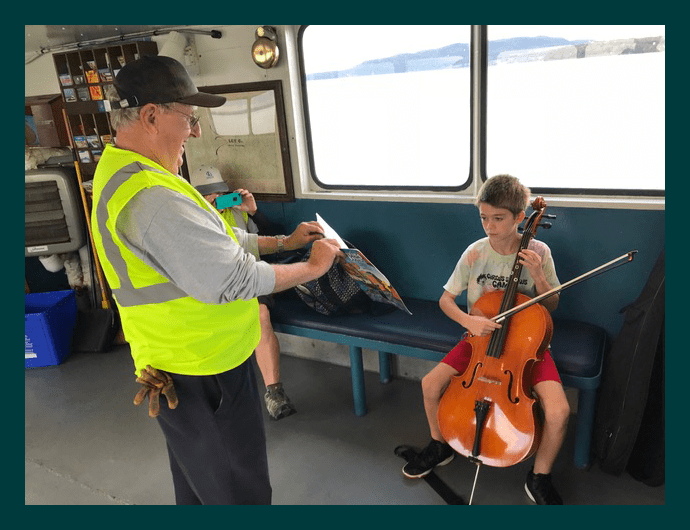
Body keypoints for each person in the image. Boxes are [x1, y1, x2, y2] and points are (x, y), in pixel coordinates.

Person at [90, 55, 342, 505]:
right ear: (151, 115)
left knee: (200, 488)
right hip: (202, 371)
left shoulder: (138, 174)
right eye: (189, 118)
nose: (196, 131)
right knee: (237, 493)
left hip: (182, 363)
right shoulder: (150, 197)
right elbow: (229, 278)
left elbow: (219, 242)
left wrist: (284, 242)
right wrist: (313, 267)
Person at [401, 174, 570, 505]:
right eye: (483, 218)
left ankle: (539, 476)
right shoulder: (475, 253)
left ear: (521, 217)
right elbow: (446, 301)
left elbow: (551, 307)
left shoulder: (539, 250)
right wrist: (468, 321)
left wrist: (537, 275)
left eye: (498, 218)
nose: (489, 227)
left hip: (527, 347)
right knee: (429, 384)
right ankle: (440, 445)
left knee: (560, 412)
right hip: (479, 342)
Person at [192, 165, 296, 420]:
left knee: (260, 314)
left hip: (250, 277)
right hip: (215, 283)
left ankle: (274, 392)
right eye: (207, 195)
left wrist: (254, 212)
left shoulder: (238, 214)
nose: (215, 199)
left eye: (219, 192)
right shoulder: (194, 220)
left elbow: (275, 242)